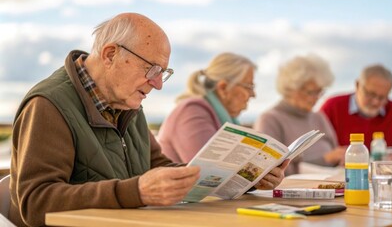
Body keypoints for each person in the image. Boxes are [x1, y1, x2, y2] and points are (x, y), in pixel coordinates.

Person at [9, 13, 287, 227]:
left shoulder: (126, 102)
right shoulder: (49, 105)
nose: (157, 84)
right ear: (110, 55)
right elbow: (35, 203)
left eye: (163, 72)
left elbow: (160, 168)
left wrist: (244, 177)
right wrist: (136, 192)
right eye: (151, 68)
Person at [254, 54, 345, 175]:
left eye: (320, 91)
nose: (316, 98)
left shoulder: (319, 117)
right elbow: (270, 172)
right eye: (311, 92)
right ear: (291, 89)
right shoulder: (270, 120)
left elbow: (334, 153)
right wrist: (324, 160)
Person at [158, 52, 257, 162]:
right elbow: (207, 172)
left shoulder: (222, 118)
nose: (253, 94)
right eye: (249, 87)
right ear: (223, 88)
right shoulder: (192, 111)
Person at [320, 64, 392, 164]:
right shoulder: (332, 106)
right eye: (370, 94)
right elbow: (314, 152)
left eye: (382, 97)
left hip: (384, 177)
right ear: (357, 85)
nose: (375, 102)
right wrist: (331, 156)